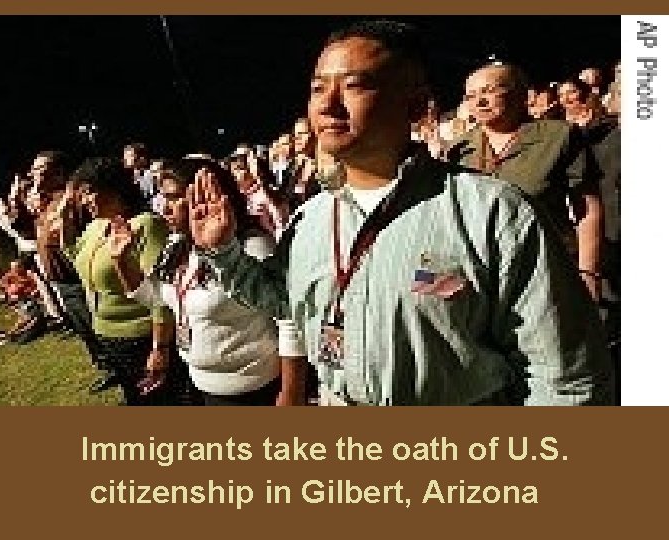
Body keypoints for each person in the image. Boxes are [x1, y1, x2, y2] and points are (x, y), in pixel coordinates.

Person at [187, 20, 614, 406]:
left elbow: (566, 378)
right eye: (318, 88)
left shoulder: (492, 212)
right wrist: (223, 252)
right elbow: (285, 301)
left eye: (354, 86)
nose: (327, 105)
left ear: (416, 106)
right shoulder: (310, 220)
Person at [110, 158, 306, 405]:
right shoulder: (176, 246)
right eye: (163, 197)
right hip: (200, 382)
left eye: (174, 198)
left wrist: (290, 392)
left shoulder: (251, 246)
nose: (164, 208)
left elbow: (288, 319)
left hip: (253, 388)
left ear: (208, 196)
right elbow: (158, 298)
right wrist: (122, 261)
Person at [448, 64, 604, 299]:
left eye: (489, 91)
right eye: (471, 96)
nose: (479, 102)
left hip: (544, 270)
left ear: (521, 93)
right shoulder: (458, 149)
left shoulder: (558, 136)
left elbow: (587, 209)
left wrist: (588, 273)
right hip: (478, 277)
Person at [60, 157, 196, 405]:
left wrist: (160, 348)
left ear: (112, 189)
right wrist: (65, 220)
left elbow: (161, 294)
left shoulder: (146, 225)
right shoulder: (97, 228)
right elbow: (76, 259)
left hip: (141, 337)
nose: (84, 200)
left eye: (89, 192)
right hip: (109, 336)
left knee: (163, 404)